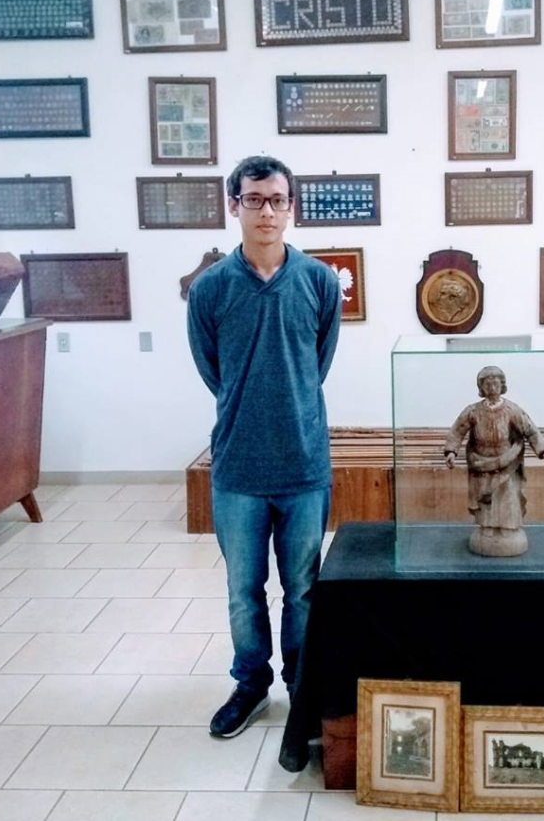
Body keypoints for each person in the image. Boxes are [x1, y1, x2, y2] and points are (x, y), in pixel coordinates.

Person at [187, 154, 342, 738]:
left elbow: (317, 364)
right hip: (239, 467)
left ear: (291, 207)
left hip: (303, 462)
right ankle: (251, 683)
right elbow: (215, 372)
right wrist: (249, 406)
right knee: (243, 590)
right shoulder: (210, 289)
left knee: (303, 588)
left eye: (277, 200)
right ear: (235, 206)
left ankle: (302, 685)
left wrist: (286, 404)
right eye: (254, 200)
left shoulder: (319, 281)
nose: (267, 212)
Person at [444, 366, 544, 557]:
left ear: (502, 385)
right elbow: (457, 430)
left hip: (507, 463)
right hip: (480, 464)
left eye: (496, 383)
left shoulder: (512, 410)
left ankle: (508, 530)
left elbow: (531, 431)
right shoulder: (473, 411)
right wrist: (451, 451)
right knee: (485, 499)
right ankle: (487, 529)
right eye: (487, 384)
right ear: (481, 387)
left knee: (508, 498)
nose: (492, 387)